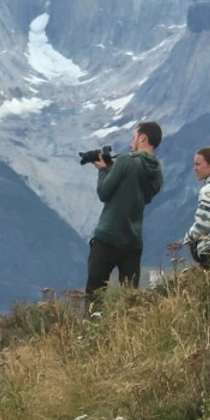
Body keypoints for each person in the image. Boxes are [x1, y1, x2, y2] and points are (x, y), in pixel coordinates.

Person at [86, 120, 163, 303]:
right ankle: (128, 330)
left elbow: (104, 193)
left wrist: (104, 170)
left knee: (94, 296)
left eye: (134, 137)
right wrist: (115, 171)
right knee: (129, 299)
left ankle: (94, 330)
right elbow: (138, 193)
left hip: (108, 238)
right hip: (133, 243)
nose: (131, 143)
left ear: (143, 138)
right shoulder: (158, 173)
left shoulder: (125, 160)